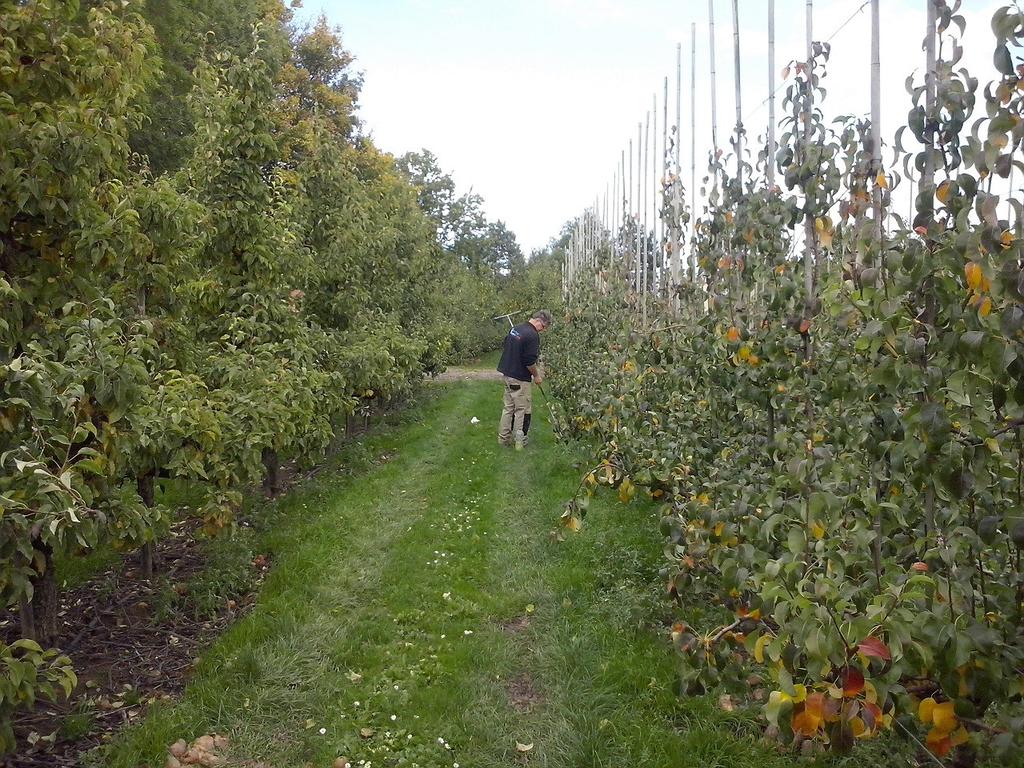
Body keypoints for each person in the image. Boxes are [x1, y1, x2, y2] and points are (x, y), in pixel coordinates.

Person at [497, 310, 552, 449]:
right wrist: (537, 375)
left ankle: (503, 440)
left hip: (507, 373)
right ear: (540, 322)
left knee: (508, 408)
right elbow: (529, 361)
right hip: (519, 377)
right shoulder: (532, 335)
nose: (542, 330)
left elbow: (506, 345)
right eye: (544, 328)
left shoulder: (516, 328)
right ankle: (519, 442)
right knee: (521, 409)